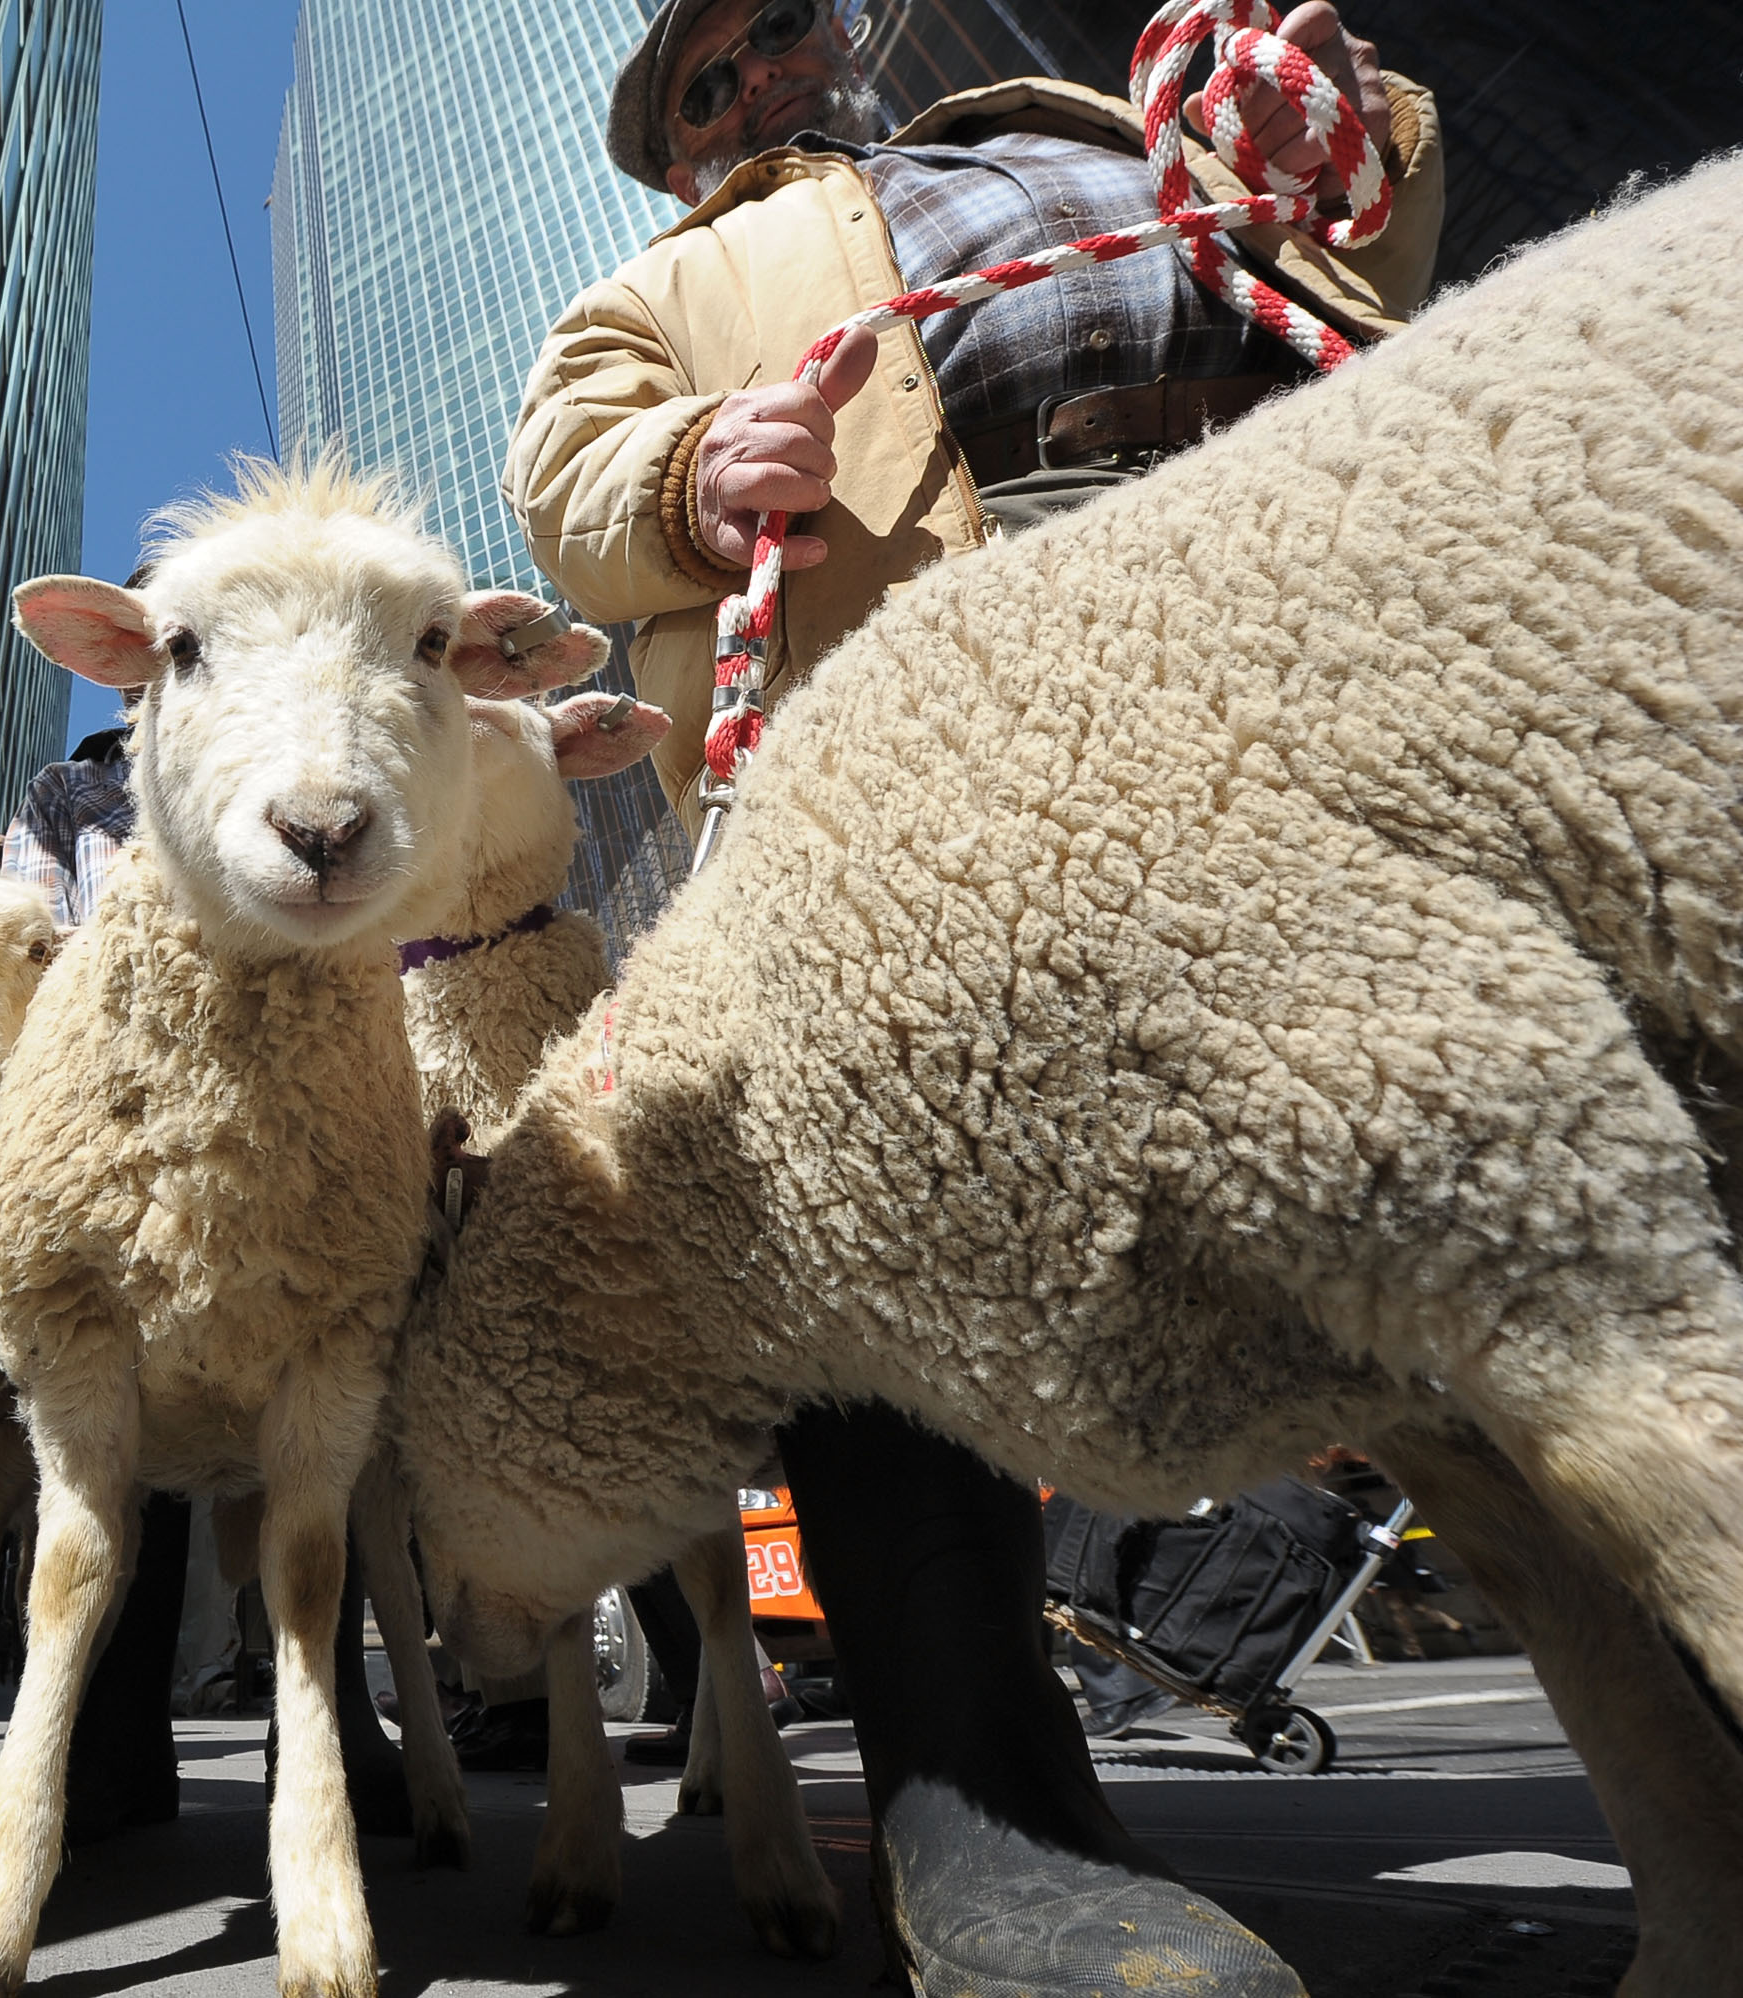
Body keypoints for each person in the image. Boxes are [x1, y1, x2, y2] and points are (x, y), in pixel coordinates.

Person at [503, 3, 1443, 1988]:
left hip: (1248, 642)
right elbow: (565, 474)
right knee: (865, 1237)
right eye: (706, 79)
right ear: (677, 154)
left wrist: (1358, 131)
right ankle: (990, 1805)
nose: (759, 70)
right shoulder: (672, 281)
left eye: (780, 32)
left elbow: (1364, 256)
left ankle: (1674, 1708)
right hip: (901, 711)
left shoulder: (1108, 126)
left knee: (1454, 1154)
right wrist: (683, 474)